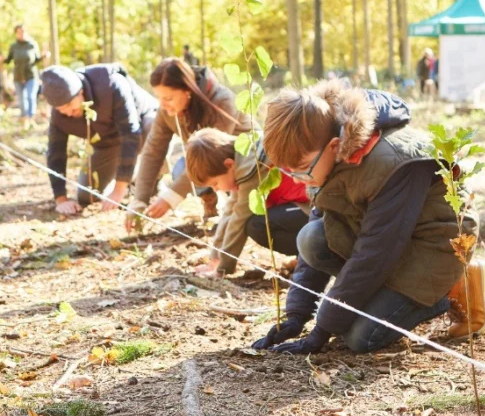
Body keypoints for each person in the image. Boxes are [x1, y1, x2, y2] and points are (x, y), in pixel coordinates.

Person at [253, 81, 484, 355]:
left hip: (436, 243)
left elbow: (374, 254)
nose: (297, 177)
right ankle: (380, 299)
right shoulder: (324, 152)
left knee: (362, 338)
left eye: (302, 169)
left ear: (335, 145)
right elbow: (330, 228)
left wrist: (321, 331)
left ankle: (453, 287)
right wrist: (296, 314)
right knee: (311, 239)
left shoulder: (391, 163)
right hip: (391, 239)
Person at [129, 57, 252, 229]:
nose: (163, 105)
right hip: (214, 164)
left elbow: (211, 156)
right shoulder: (167, 112)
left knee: (195, 167)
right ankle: (212, 205)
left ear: (187, 90)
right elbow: (153, 151)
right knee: (183, 167)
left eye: (169, 98)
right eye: (159, 97)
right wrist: (139, 200)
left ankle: (242, 213)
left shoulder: (221, 100)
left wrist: (170, 197)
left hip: (244, 161)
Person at [184, 128, 311, 277]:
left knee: (257, 225)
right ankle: (304, 257)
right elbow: (229, 212)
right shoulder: (243, 161)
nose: (216, 190)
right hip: (298, 206)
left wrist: (223, 268)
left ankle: (310, 257)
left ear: (229, 165)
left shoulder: (251, 170)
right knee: (256, 222)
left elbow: (238, 221)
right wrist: (215, 257)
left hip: (314, 208)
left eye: (215, 183)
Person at [39, 63, 159, 216]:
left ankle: (152, 179)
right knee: (87, 195)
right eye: (62, 109)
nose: (68, 111)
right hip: (106, 143)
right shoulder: (59, 116)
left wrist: (119, 189)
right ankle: (131, 176)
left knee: (154, 127)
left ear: (80, 91)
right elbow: (56, 153)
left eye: (70, 104)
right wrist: (61, 200)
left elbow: (130, 133)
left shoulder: (110, 83)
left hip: (141, 126)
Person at [4, 25, 43, 123]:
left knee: (30, 96)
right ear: (16, 34)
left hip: (31, 75)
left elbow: (37, 59)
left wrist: (44, 56)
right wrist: (2, 60)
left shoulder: (32, 45)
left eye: (23, 32)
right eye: (19, 32)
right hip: (18, 76)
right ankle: (24, 117)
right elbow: (8, 60)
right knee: (21, 98)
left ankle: (31, 117)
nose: (21, 34)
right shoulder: (13, 46)